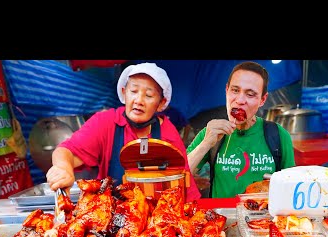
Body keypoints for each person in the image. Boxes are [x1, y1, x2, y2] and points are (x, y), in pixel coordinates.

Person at [47, 62, 200, 202]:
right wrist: (63, 168)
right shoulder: (105, 122)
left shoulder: (168, 133)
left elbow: (185, 188)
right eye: (133, 91)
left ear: (161, 104)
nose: (138, 100)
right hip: (110, 221)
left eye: (148, 95)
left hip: (156, 221)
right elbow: (66, 151)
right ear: (123, 92)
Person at [187, 61, 296, 198]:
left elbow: (292, 186)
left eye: (250, 94)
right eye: (235, 90)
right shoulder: (210, 133)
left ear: (262, 100)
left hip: (262, 217)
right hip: (221, 217)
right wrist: (206, 143)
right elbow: (180, 175)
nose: (240, 100)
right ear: (227, 91)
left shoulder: (278, 135)